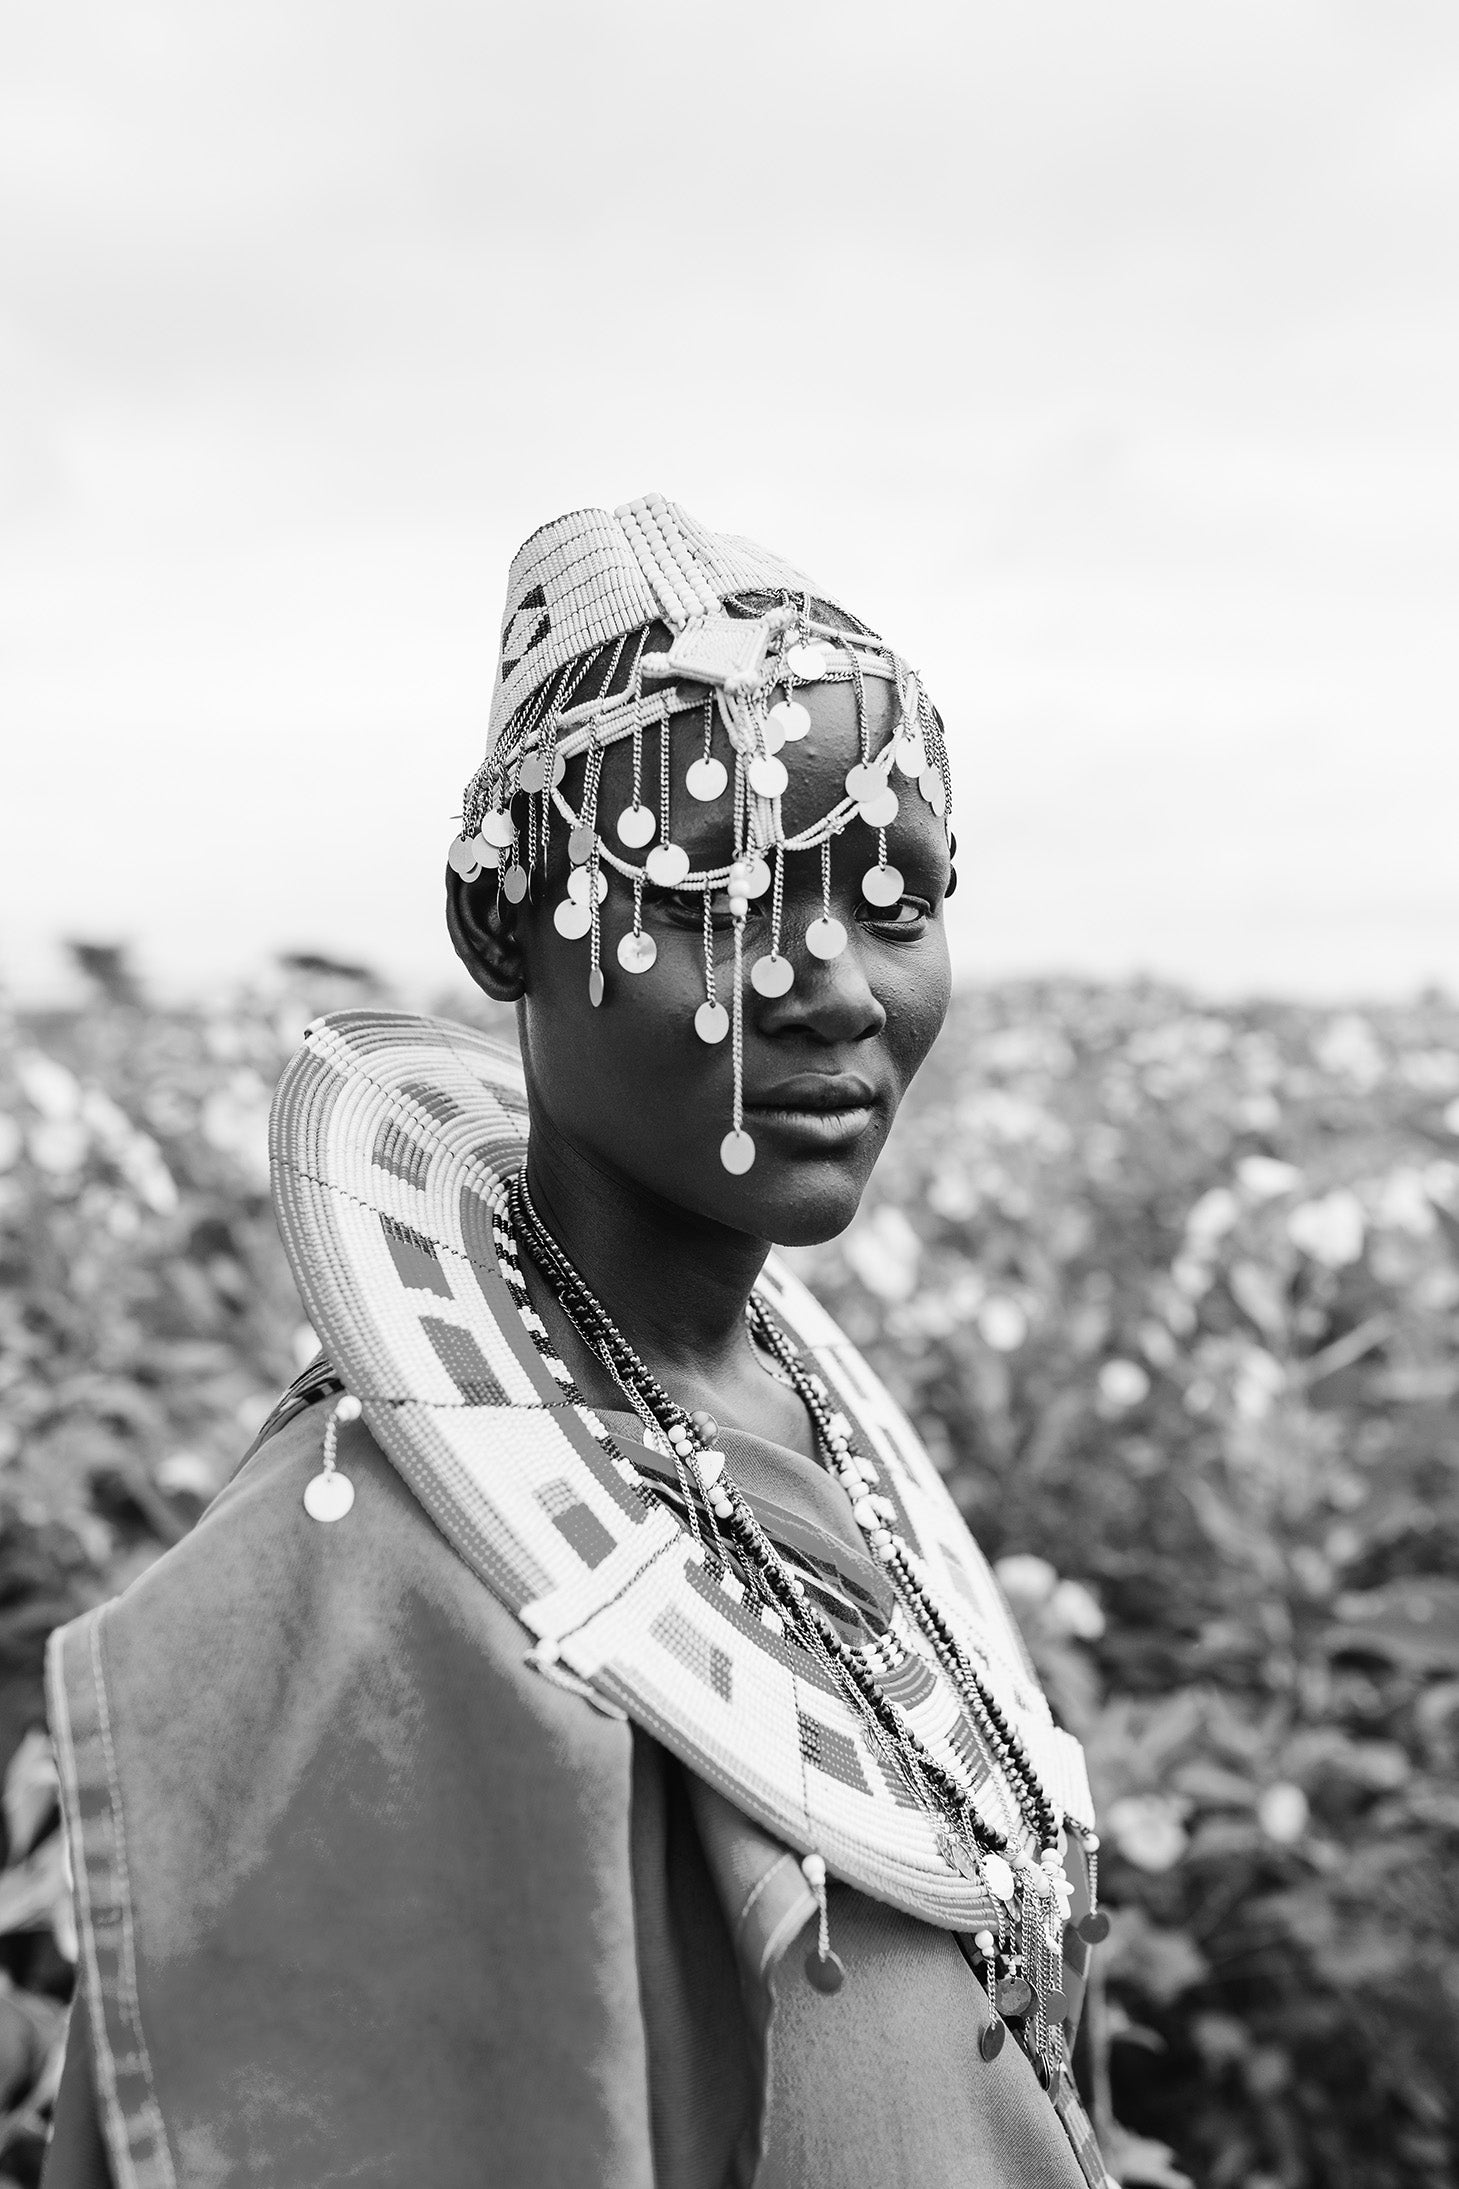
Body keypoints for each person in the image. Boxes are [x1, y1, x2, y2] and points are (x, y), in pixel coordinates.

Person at [42, 495, 1110, 2188]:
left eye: (893, 900)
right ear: (500, 930)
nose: (834, 984)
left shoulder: (801, 1422)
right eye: (724, 895)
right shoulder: (364, 1593)